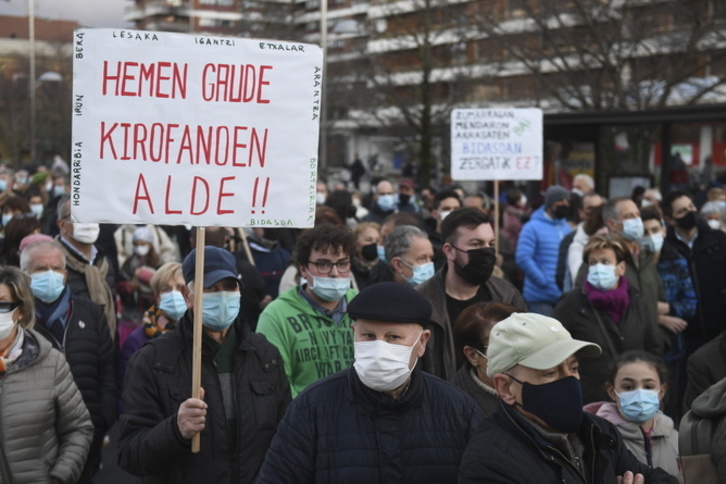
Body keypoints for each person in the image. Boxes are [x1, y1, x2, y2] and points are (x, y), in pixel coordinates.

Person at [256, 282, 483, 483]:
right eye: (368, 336)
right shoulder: (311, 408)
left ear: (422, 342)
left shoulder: (458, 410)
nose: (379, 349)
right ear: (354, 333)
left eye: (393, 337)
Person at [118, 246, 291, 482]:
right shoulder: (153, 361)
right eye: (210, 288)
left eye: (229, 287)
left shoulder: (265, 356)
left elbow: (287, 439)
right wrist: (175, 430)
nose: (222, 296)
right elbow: (130, 454)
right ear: (187, 295)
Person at [458, 312, 678, 484]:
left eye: (573, 368)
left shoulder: (599, 431)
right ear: (506, 388)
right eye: (550, 372)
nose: (569, 382)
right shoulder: (489, 463)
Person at [20, 239, 116, 483]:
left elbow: (107, 369)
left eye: (56, 268)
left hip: (86, 436)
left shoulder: (90, 312)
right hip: (31, 444)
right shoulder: (15, 320)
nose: (50, 274)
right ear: (25, 274)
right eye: (41, 269)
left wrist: (103, 417)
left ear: (65, 274)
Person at [0, 266, 94, 483]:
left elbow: (79, 429)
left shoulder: (50, 363)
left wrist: (60, 477)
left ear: (21, 310)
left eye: (2, 303)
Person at [416, 207, 526, 380]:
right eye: (475, 244)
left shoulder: (507, 295)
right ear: (449, 250)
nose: (486, 252)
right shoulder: (421, 302)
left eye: (490, 244)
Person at [554, 234, 663, 403]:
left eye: (605, 262)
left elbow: (652, 347)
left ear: (621, 267)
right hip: (588, 398)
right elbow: (556, 350)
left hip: (632, 397)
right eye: (593, 263)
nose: (598, 268)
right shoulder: (571, 303)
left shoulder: (637, 301)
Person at [257, 223, 357, 397]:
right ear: (303, 269)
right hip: (305, 419)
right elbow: (276, 384)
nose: (335, 273)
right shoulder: (276, 315)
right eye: (323, 264)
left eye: (342, 263)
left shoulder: (362, 304)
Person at [584, 351, 683, 483]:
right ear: (611, 391)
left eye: (648, 386)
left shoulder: (677, 441)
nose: (639, 394)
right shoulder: (598, 440)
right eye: (628, 387)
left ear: (661, 391)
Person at [663, 190, 726, 351]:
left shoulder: (718, 240)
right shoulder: (666, 249)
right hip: (684, 333)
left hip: (719, 328)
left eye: (691, 207)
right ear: (671, 220)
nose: (690, 212)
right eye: (682, 211)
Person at [117, 261, 186, 399]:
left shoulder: (201, 335)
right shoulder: (137, 342)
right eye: (166, 289)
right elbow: (125, 394)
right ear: (157, 297)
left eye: (180, 288)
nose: (174, 294)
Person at [55, 195, 117, 338]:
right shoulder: (53, 264)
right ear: (62, 224)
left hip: (105, 350)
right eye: (79, 215)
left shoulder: (104, 263)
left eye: (92, 214)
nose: (88, 221)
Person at [451, 301, 518, 414]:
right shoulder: (455, 406)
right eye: (502, 346)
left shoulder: (541, 381)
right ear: (473, 355)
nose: (517, 354)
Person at [516, 185, 572, 315]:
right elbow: (523, 257)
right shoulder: (532, 227)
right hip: (540, 298)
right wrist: (542, 280)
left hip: (563, 296)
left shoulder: (567, 228)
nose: (565, 204)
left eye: (567, 201)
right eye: (561, 201)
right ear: (550, 203)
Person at [350, 221, 381, 290]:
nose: (374, 244)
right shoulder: (348, 269)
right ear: (356, 244)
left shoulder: (384, 269)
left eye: (377, 240)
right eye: (368, 240)